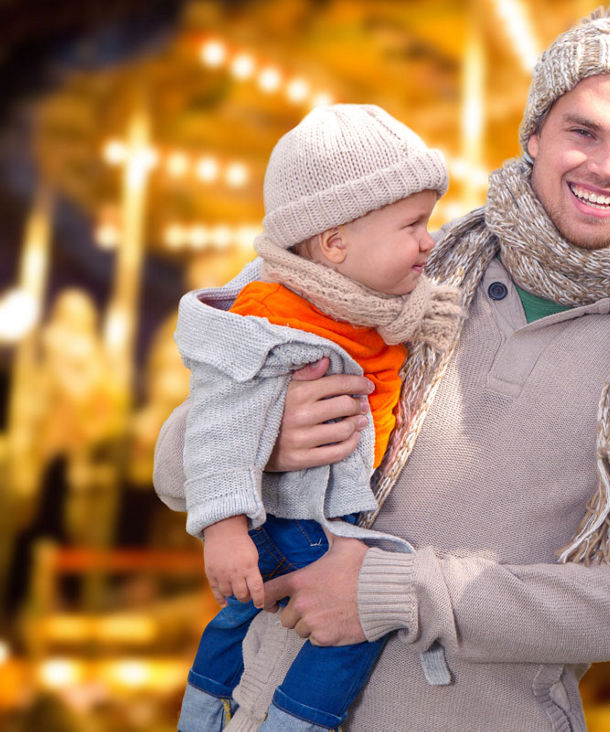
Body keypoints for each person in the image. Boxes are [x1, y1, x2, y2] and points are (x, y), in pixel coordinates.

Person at [153, 9, 610, 730]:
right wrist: (266, 437)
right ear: (533, 136)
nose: (608, 165)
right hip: (275, 694)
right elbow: (176, 473)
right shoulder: (385, 271)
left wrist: (392, 590)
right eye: (583, 131)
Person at [164, 104, 462, 730]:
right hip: (298, 509)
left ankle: (203, 704)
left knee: (244, 608)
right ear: (334, 243)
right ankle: (300, 720)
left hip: (316, 501)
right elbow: (220, 422)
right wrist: (224, 528)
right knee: (353, 621)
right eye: (413, 225)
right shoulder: (275, 323)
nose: (430, 241)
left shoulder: (367, 305)